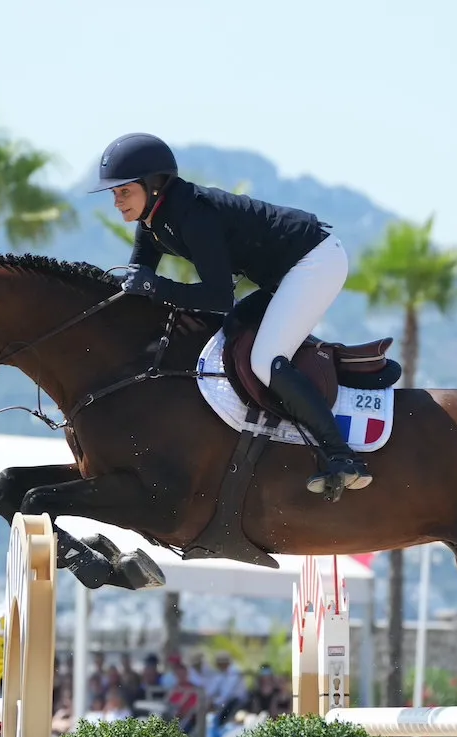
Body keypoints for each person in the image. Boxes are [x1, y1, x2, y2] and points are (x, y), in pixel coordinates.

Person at [91, 132, 372, 498]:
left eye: (124, 192)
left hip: (315, 261)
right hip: (283, 275)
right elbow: (137, 278)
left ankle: (341, 457)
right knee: (231, 332)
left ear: (154, 185)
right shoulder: (153, 221)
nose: (117, 202)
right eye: (115, 194)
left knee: (264, 359)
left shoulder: (194, 214)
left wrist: (156, 288)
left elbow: (218, 296)